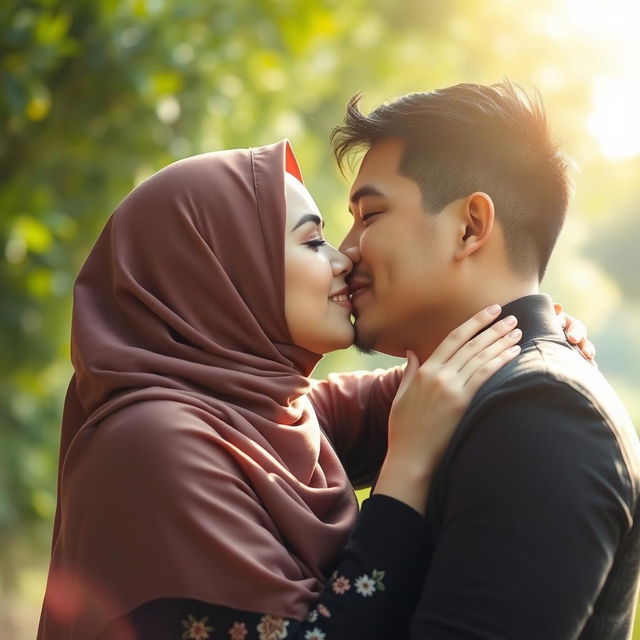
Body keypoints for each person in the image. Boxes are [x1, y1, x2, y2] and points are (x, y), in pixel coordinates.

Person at [37, 140, 527, 640]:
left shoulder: (263, 413)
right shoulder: (156, 443)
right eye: (313, 241)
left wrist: (529, 333)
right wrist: (406, 469)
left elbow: (424, 388)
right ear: (219, 272)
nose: (344, 259)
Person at [332, 80, 640, 639]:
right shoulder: (465, 395)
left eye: (369, 215)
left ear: (470, 226)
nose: (344, 251)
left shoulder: (545, 412)